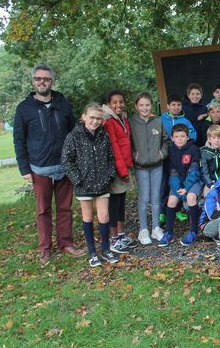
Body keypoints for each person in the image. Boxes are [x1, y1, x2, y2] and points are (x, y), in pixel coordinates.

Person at [13, 64, 83, 266]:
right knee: (43, 210)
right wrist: (24, 168)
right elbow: (19, 139)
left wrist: (75, 159)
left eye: (46, 79)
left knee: (65, 208)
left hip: (64, 166)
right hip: (39, 168)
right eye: (38, 79)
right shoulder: (24, 108)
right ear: (33, 81)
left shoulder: (63, 103)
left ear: (52, 81)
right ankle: (45, 249)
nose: (42, 82)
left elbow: (74, 132)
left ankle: (66, 244)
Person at [61, 104, 118, 267]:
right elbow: (66, 160)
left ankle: (106, 249)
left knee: (104, 216)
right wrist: (78, 179)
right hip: (83, 185)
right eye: (92, 117)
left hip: (102, 183)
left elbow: (110, 158)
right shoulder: (74, 137)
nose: (95, 121)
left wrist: (109, 175)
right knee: (87, 217)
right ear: (84, 117)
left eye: (98, 118)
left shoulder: (103, 136)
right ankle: (92, 252)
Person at [129, 92, 168, 245]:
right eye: (141, 105)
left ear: (151, 105)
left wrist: (161, 154)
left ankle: (156, 228)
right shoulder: (132, 122)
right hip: (141, 166)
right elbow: (128, 142)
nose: (144, 108)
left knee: (156, 197)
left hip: (157, 165)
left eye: (147, 105)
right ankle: (143, 230)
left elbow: (165, 140)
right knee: (144, 198)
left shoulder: (157, 121)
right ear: (136, 106)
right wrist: (135, 156)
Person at [102, 90, 137, 254]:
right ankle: (113, 238)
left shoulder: (122, 118)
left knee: (122, 201)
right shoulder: (109, 121)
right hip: (116, 168)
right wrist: (122, 170)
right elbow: (114, 147)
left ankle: (121, 234)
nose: (118, 105)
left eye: (121, 102)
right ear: (109, 104)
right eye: (114, 102)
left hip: (125, 166)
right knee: (114, 203)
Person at [158, 124, 202, 247]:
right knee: (171, 201)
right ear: (172, 138)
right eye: (176, 136)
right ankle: (169, 233)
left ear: (188, 137)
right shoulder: (171, 150)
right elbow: (172, 172)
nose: (180, 139)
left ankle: (193, 232)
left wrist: (186, 188)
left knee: (191, 198)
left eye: (182, 136)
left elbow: (194, 171)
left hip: (193, 182)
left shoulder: (193, 149)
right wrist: (178, 189)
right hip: (178, 183)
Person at [200, 124, 220, 196]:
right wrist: (210, 184)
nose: (216, 140)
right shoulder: (204, 152)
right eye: (214, 138)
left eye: (219, 138)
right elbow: (204, 171)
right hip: (210, 181)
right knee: (209, 194)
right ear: (209, 139)